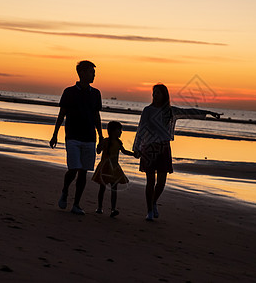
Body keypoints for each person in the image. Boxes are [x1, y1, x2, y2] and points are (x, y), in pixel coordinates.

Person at [133, 84, 221, 221]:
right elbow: (141, 129)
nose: (154, 95)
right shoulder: (148, 110)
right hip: (149, 148)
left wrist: (208, 112)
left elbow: (189, 112)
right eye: (153, 92)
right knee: (150, 181)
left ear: (164, 95)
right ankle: (149, 211)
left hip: (164, 148)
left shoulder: (170, 111)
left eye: (158, 93)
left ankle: (154, 201)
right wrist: (136, 148)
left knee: (161, 182)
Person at [50, 60, 103, 215]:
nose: (94, 75)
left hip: (90, 138)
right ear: (82, 73)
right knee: (73, 169)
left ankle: (76, 204)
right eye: (91, 72)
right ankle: (65, 190)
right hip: (72, 136)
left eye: (94, 72)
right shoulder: (69, 92)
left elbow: (96, 116)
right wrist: (55, 135)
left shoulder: (96, 93)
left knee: (83, 171)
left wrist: (100, 136)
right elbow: (62, 114)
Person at [92, 121, 135, 217]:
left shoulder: (118, 142)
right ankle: (99, 207)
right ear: (112, 131)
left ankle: (113, 209)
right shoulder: (106, 141)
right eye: (119, 130)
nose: (121, 132)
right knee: (102, 188)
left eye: (121, 130)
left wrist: (133, 154)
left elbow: (124, 151)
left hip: (114, 168)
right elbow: (98, 151)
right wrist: (99, 144)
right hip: (105, 167)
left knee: (114, 189)